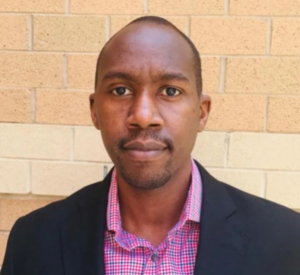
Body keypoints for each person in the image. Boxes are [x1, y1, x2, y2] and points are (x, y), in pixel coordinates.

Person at [1, 16, 300, 275]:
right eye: (120, 90)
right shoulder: (34, 241)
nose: (143, 116)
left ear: (202, 112)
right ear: (95, 110)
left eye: (170, 91)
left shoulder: (286, 241)